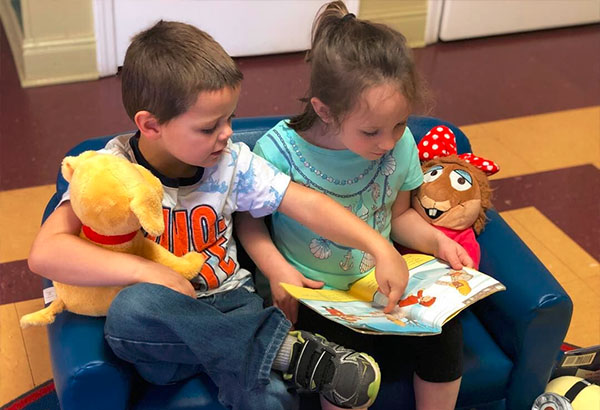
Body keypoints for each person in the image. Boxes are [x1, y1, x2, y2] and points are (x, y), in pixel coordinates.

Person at [26, 20, 419, 410]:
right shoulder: (112, 171)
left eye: (230, 118)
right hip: (162, 323)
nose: (228, 133)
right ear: (150, 125)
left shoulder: (233, 164)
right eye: (209, 126)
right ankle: (282, 350)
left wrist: (378, 246)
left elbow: (308, 203)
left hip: (233, 306)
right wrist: (147, 272)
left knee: (272, 399)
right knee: (131, 310)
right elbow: (45, 253)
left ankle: (270, 351)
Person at [235, 2, 473, 410]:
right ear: (324, 110)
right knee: (347, 368)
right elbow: (248, 225)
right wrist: (276, 270)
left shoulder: (399, 145)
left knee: (446, 333)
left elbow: (398, 217)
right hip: (313, 293)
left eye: (399, 124)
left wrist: (436, 242)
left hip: (378, 289)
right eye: (370, 131)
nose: (388, 142)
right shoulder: (278, 152)